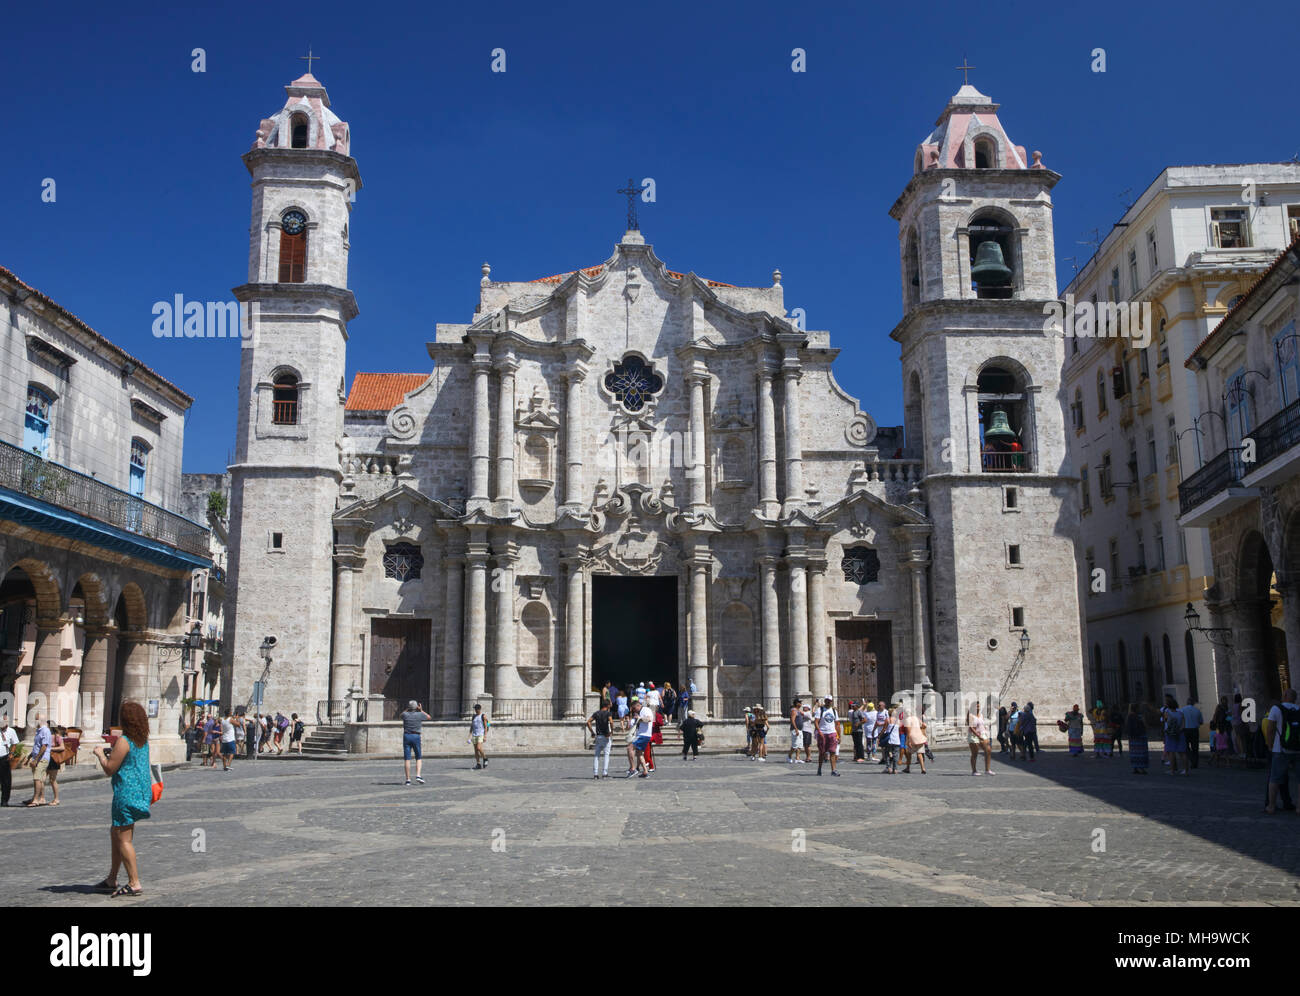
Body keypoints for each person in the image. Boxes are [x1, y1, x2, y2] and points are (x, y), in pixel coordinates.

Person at [90, 700, 151, 898]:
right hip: (140, 792)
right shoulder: (142, 740)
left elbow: (109, 769)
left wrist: (100, 754)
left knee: (124, 839)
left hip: (126, 793)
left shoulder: (124, 741)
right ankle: (111, 878)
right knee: (116, 833)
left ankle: (134, 882)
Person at [1264, 688, 1300, 815]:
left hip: (1281, 749)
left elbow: (1270, 729)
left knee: (1275, 778)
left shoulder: (1276, 709)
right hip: (1298, 749)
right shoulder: (1298, 709)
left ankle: (1271, 806)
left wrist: (1270, 745)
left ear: (1284, 695)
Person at [400, 700, 430, 785]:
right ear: (417, 707)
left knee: (407, 759)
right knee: (418, 757)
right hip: (416, 736)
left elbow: (400, 715)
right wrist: (421, 710)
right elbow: (428, 717)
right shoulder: (419, 714)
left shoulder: (405, 715)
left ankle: (408, 779)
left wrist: (407, 709)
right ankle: (418, 775)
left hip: (406, 736)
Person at [24, 714, 52, 807]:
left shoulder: (45, 731)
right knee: (39, 779)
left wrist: (36, 760)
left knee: (37, 778)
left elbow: (44, 746)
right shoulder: (39, 731)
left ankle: (35, 800)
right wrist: (29, 757)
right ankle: (41, 798)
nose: (34, 722)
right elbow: (37, 746)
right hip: (37, 758)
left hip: (42, 759)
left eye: (36, 720)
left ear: (40, 720)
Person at [1161, 694, 1188, 776]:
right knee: (1183, 753)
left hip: (1170, 734)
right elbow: (1183, 724)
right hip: (1180, 733)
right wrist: (1179, 730)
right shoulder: (1181, 713)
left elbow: (1165, 721)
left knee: (1171, 752)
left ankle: (1172, 770)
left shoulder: (1167, 712)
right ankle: (1186, 770)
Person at [586, 700, 613, 778]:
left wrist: (592, 732)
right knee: (606, 754)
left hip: (598, 736)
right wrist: (611, 731)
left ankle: (595, 773)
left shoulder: (596, 713)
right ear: (607, 705)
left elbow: (588, 722)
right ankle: (605, 773)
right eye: (610, 704)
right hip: (606, 735)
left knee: (597, 755)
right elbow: (611, 722)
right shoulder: (608, 713)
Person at [966, 701, 993, 776]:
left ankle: (987, 770)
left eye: (979, 706)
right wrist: (978, 735)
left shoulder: (981, 715)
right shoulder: (971, 715)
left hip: (982, 734)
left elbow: (982, 724)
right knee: (975, 754)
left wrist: (985, 730)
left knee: (988, 750)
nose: (978, 707)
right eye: (976, 706)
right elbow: (971, 727)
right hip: (973, 736)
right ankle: (974, 771)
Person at [629, 697, 654, 778]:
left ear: (638, 706)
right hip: (642, 734)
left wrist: (639, 718)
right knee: (639, 754)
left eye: (634, 708)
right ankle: (645, 772)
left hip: (643, 734)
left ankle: (633, 769)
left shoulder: (645, 710)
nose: (634, 710)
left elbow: (649, 719)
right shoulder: (640, 711)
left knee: (629, 748)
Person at [815, 697, 840, 776]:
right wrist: (819, 731)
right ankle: (819, 769)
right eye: (827, 701)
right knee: (822, 752)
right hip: (823, 733)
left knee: (833, 752)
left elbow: (837, 724)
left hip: (832, 733)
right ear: (825, 701)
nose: (828, 702)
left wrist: (839, 735)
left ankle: (833, 770)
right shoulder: (820, 710)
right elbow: (816, 722)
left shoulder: (834, 711)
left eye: (830, 701)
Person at [0, 714, 18, 806]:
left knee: (6, 781)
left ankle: (4, 800)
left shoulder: (11, 731)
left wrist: (11, 753)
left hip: (4, 758)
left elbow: (14, 743)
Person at [1126, 703, 1148, 774]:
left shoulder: (1129, 716)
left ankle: (1135, 767)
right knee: (1141, 753)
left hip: (1132, 737)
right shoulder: (1140, 716)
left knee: (1134, 752)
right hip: (1141, 736)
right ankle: (1142, 768)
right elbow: (1145, 725)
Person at [1181, 698, 1204, 770]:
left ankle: (1191, 758)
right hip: (1194, 730)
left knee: (1186, 746)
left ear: (1187, 702)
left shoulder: (1182, 710)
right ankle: (1195, 763)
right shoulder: (1197, 710)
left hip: (1186, 730)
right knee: (1195, 747)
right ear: (1193, 703)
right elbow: (1201, 721)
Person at [903, 708, 927, 774]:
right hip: (920, 737)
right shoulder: (916, 718)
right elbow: (924, 725)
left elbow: (908, 731)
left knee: (908, 753)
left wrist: (908, 741)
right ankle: (923, 768)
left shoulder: (907, 720)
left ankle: (908, 768)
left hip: (912, 738)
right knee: (919, 754)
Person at [46, 725, 65, 805]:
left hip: (53, 758)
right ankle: (39, 797)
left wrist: (51, 749)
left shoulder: (57, 736)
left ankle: (56, 799)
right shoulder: (46, 735)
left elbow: (62, 747)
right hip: (46, 758)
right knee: (41, 778)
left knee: (52, 779)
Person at [469, 704, 489, 769]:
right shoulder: (474, 717)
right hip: (474, 734)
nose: (475, 710)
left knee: (479, 748)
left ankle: (485, 758)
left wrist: (485, 736)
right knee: (475, 750)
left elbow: (486, 727)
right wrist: (469, 736)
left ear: (479, 709)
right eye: (475, 709)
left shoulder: (483, 716)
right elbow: (472, 726)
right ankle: (478, 764)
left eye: (476, 709)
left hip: (480, 734)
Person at [881, 707, 900, 774]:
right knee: (896, 755)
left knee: (887, 754)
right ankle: (895, 769)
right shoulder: (898, 721)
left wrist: (880, 736)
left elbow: (884, 729)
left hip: (889, 740)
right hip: (896, 740)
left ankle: (889, 768)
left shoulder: (888, 720)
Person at [787, 698, 804, 764]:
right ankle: (789, 756)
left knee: (799, 745)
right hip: (795, 729)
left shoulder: (798, 710)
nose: (801, 704)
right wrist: (796, 729)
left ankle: (797, 758)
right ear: (797, 703)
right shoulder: (794, 711)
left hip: (800, 729)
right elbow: (792, 720)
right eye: (800, 702)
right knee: (794, 745)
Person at [1232, 693, 1248, 758]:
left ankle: (1240, 752)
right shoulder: (1240, 705)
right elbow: (1243, 714)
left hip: (1235, 723)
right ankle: (1244, 752)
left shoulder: (1234, 706)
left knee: (1238, 738)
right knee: (1243, 738)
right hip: (1240, 723)